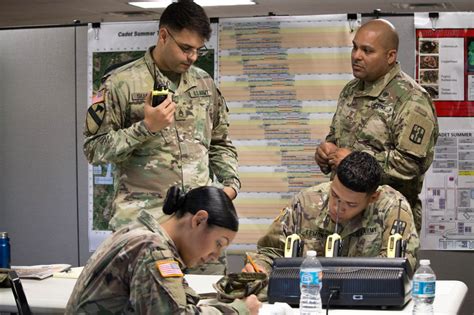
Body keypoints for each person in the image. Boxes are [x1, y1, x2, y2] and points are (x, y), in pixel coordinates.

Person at [83, 0, 240, 231]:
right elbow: (94, 149)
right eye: (186, 48)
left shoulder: (204, 83)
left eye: (199, 49)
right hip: (144, 224)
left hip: (199, 223)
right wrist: (146, 127)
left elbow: (220, 142)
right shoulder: (121, 83)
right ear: (163, 36)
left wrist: (230, 186)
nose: (193, 57)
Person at [314, 19, 438, 233]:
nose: (356, 56)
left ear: (390, 56)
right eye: (355, 47)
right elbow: (336, 137)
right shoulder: (351, 90)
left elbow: (410, 165)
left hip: (387, 217)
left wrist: (355, 161)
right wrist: (327, 152)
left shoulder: (412, 99)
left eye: (367, 50)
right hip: (342, 215)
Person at [66, 186, 261, 314]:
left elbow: (179, 299)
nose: (216, 256)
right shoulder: (153, 250)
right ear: (199, 220)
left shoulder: (142, 235)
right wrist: (239, 311)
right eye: (219, 243)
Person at [243, 152, 419, 273]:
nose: (337, 207)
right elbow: (270, 252)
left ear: (372, 198)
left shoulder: (393, 208)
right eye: (334, 195)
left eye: (350, 204)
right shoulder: (305, 202)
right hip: (308, 299)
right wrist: (260, 269)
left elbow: (398, 267)